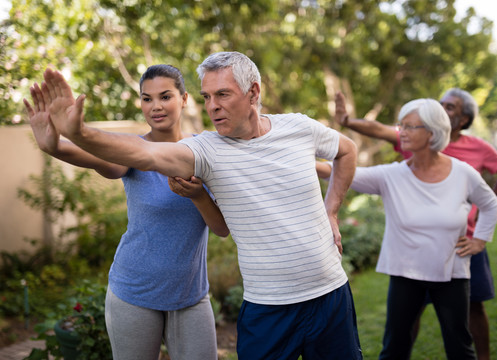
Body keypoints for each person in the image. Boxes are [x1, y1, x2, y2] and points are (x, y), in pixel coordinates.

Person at [32, 51, 363, 360]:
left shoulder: (290, 129)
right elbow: (136, 154)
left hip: (302, 293)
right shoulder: (205, 149)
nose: (213, 106)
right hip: (221, 300)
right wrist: (76, 136)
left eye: (223, 94)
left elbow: (341, 152)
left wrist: (330, 209)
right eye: (208, 97)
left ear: (253, 92)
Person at [24, 64, 230, 360]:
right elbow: (98, 158)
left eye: (165, 96)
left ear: (184, 99)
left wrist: (198, 195)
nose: (155, 106)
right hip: (134, 293)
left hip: (190, 296)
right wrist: (54, 147)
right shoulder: (132, 149)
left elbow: (221, 228)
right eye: (147, 99)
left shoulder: (205, 150)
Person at [334, 88, 497, 360]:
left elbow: (496, 191)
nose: (403, 131)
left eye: (450, 106)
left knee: (463, 329)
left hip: (456, 252)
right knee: (399, 336)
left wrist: (480, 235)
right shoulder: (397, 170)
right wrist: (346, 123)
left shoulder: (469, 160)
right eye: (402, 126)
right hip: (409, 265)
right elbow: (375, 132)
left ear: (434, 130)